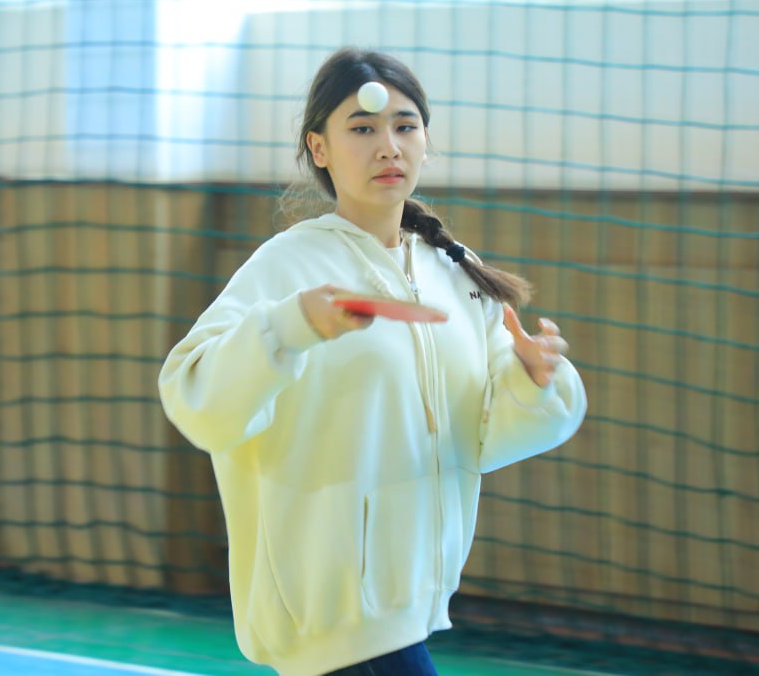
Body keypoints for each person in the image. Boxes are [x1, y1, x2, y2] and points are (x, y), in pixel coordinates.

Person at [159, 47, 587, 676]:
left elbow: (481, 438)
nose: (388, 146)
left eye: (404, 126)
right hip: (334, 621)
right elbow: (194, 395)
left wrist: (531, 381)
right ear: (320, 148)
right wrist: (290, 327)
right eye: (362, 130)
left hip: (409, 606)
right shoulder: (286, 266)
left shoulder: (454, 273)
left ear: (425, 142)